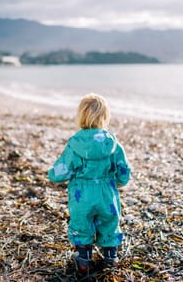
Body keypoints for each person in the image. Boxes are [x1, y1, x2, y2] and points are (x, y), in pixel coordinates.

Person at [48, 93, 131, 273]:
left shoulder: (75, 144)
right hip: (106, 193)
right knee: (109, 224)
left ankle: (84, 260)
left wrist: (53, 174)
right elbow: (124, 171)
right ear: (105, 117)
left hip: (81, 196)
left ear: (81, 116)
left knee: (81, 225)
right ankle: (110, 259)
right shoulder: (112, 143)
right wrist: (119, 180)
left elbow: (60, 172)